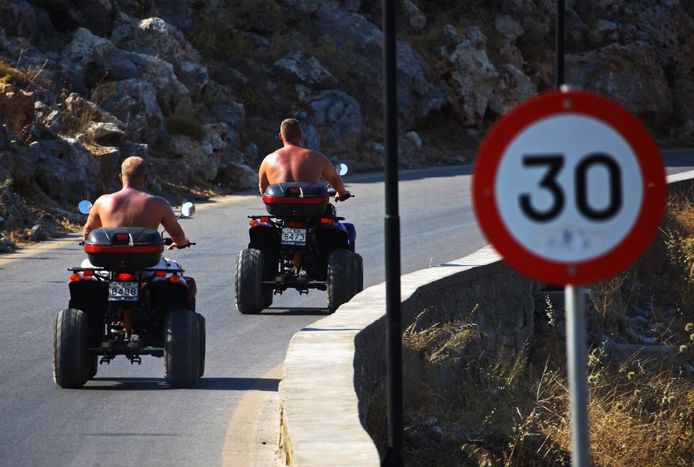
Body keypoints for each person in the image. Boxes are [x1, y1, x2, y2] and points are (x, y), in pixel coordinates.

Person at [82, 156, 190, 249]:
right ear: (145, 178)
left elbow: (88, 230)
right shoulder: (159, 203)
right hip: (146, 263)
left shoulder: (102, 201)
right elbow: (178, 235)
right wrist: (181, 243)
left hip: (109, 263)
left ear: (120, 177)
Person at [258, 118, 351, 200]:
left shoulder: (268, 160)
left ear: (280, 136)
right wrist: (342, 192)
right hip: (311, 210)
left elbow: (263, 187)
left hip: (279, 210)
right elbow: (334, 178)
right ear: (300, 135)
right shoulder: (317, 157)